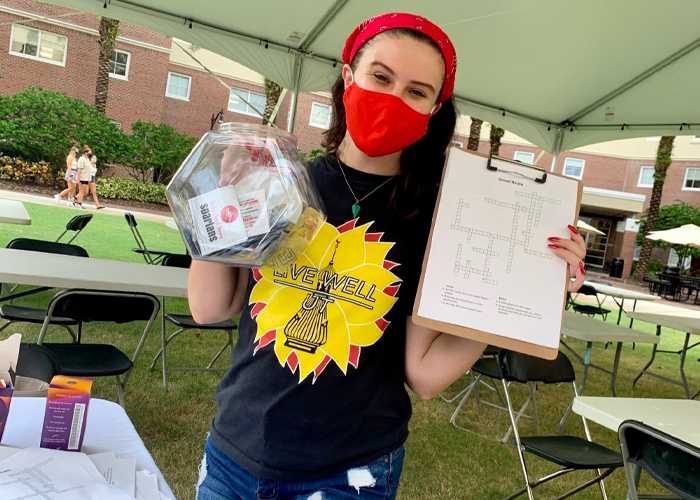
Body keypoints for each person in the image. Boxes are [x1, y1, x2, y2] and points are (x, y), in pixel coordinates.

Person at [189, 12, 587, 500]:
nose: (393, 98)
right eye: (381, 77)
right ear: (348, 77)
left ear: (433, 111)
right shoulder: (282, 183)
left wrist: (524, 292)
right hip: (234, 454)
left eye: (416, 91)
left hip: (348, 474)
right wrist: (223, 197)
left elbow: (423, 375)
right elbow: (210, 307)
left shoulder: (441, 221)